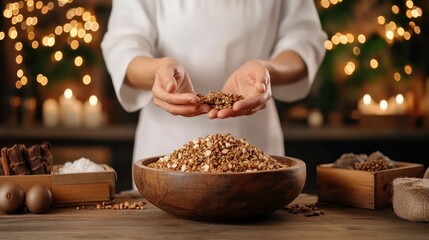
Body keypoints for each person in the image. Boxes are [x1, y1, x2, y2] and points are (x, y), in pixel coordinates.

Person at [101, 1, 326, 173]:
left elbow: (304, 40)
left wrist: (266, 71)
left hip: (254, 146)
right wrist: (160, 72)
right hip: (166, 146)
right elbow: (124, 45)